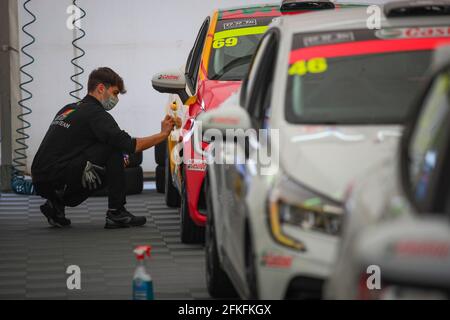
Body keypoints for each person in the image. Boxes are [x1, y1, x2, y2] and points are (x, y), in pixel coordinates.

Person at [32, 67, 179, 229]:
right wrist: (163, 134)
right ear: (101, 88)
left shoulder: (69, 109)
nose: (117, 99)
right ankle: (116, 212)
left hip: (40, 178)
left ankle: (56, 204)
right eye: (115, 93)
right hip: (57, 177)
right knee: (115, 150)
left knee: (108, 152)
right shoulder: (96, 114)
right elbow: (131, 146)